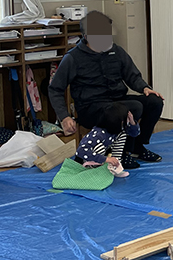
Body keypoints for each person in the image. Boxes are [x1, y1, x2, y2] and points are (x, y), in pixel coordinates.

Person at [50, 11, 163, 169]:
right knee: (133, 107)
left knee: (154, 102)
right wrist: (64, 117)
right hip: (91, 108)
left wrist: (145, 88)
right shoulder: (73, 58)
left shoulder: (116, 51)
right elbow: (55, 89)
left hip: (116, 101)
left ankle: (137, 147)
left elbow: (132, 76)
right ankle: (122, 154)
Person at [75, 102, 141, 178]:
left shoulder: (117, 130)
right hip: (86, 159)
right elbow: (81, 151)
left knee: (122, 135)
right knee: (100, 147)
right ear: (121, 122)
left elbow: (135, 134)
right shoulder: (98, 134)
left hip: (101, 156)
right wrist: (106, 159)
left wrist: (132, 122)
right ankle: (93, 169)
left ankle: (115, 165)